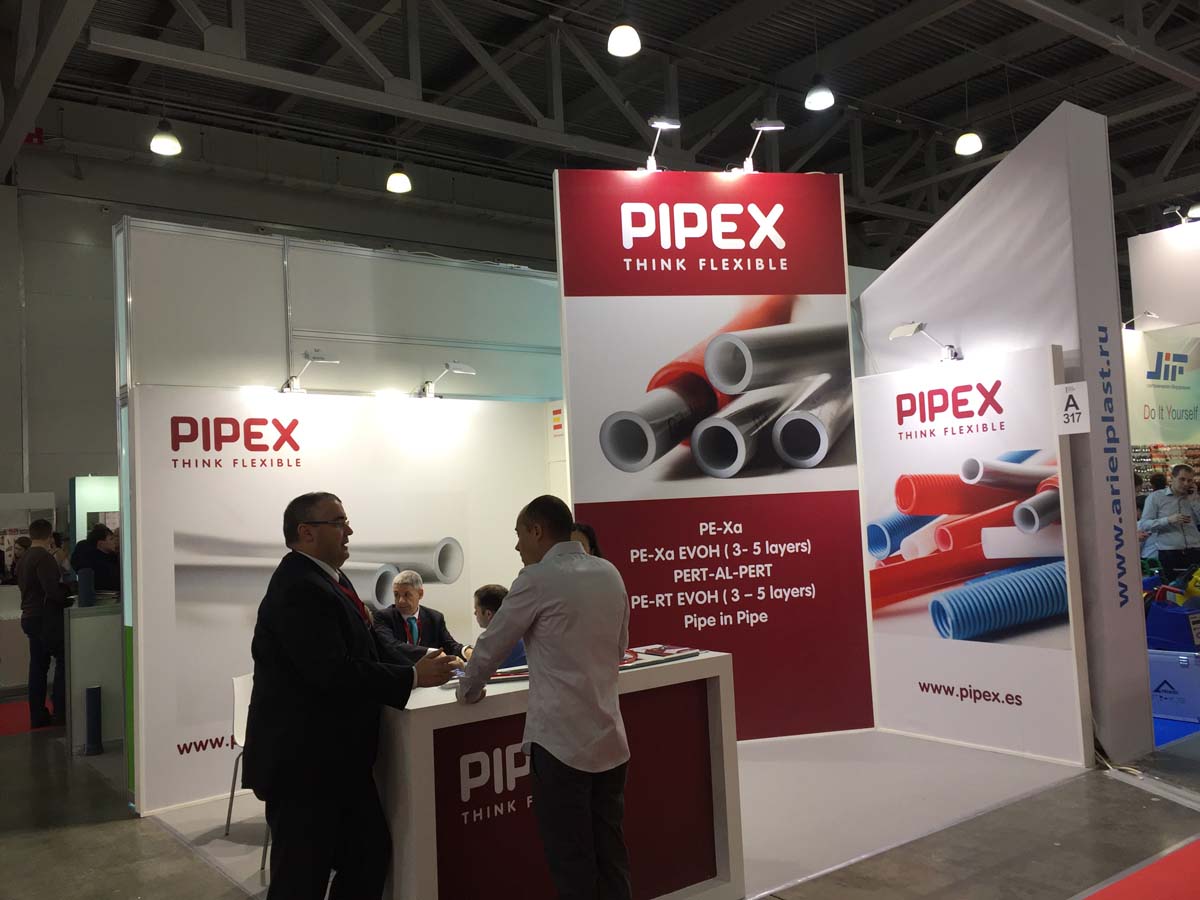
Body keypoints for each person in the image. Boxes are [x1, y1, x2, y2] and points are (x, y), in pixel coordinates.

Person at [242, 492, 457, 900]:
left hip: (336, 762)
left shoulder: (330, 579)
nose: (349, 530)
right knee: (301, 879)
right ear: (306, 532)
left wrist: (422, 660)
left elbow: (371, 643)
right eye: (339, 522)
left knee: (367, 855)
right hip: (305, 766)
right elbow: (332, 671)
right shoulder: (299, 588)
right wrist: (411, 677)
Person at [458, 495, 632, 900]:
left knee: (572, 861)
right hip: (610, 738)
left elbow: (491, 645)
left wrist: (468, 688)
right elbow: (620, 646)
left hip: (560, 745)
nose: (517, 545)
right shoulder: (609, 572)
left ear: (537, 531)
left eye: (520, 534)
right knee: (611, 853)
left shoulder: (536, 578)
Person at [17, 519, 73, 727]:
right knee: (64, 659)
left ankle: (38, 714)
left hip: (29, 615)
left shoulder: (24, 558)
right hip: (45, 617)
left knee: (38, 667)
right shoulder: (44, 558)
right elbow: (52, 590)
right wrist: (68, 593)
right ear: (50, 536)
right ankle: (60, 709)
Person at [374, 570, 469, 665]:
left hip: (430, 673)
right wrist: (431, 652)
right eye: (396, 595)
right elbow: (392, 646)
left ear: (420, 594)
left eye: (407, 595)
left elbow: (449, 645)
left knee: (459, 668)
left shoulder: (434, 618)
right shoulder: (383, 617)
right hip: (398, 672)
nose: (401, 601)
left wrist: (466, 651)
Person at [1140, 464, 1200, 580]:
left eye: (1189, 481)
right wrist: (1168, 520)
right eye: (1182, 479)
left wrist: (1194, 501)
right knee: (1173, 588)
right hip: (1170, 553)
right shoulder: (1156, 497)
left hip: (1195, 550)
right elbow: (1144, 524)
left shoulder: (1194, 498)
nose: (1186, 484)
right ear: (1172, 478)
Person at [472, 584, 526, 669]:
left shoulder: (490, 645)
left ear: (488, 614)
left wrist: (459, 668)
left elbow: (472, 675)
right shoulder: (524, 634)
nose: (474, 613)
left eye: (476, 609)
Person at [70, 523, 120, 591]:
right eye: (111, 539)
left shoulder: (113, 556)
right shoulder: (95, 562)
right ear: (100, 543)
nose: (115, 541)